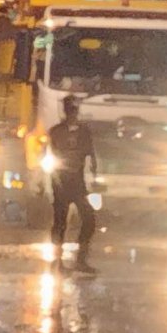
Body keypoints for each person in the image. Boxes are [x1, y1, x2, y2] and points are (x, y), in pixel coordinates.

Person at [47, 95, 98, 273]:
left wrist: (93, 174)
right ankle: (58, 260)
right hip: (61, 181)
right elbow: (52, 154)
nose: (72, 113)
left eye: (74, 110)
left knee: (88, 220)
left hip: (77, 182)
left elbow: (91, 155)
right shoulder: (56, 132)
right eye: (71, 110)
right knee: (60, 222)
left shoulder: (84, 132)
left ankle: (80, 259)